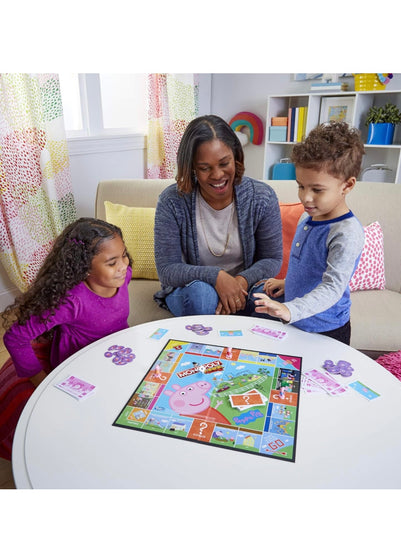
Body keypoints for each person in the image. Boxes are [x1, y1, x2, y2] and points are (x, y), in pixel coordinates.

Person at [0, 217, 132, 460]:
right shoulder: (71, 301)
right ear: (84, 268)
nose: (123, 266)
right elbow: (16, 337)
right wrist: (42, 381)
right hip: (81, 366)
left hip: (116, 355)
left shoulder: (124, 277)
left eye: (123, 256)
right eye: (112, 262)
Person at [153, 114, 283, 317]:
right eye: (205, 168)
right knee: (202, 295)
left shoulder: (261, 197)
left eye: (224, 163)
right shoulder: (172, 201)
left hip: (244, 288)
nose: (217, 175)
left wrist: (240, 282)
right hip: (195, 289)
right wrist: (217, 277)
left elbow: (271, 259)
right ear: (192, 167)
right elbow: (167, 270)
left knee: (272, 297)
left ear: (236, 156)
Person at [254, 121, 365, 345]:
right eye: (301, 186)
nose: (305, 197)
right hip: (297, 322)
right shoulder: (308, 218)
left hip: (327, 329)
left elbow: (332, 287)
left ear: (347, 185)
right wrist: (287, 282)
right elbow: (309, 268)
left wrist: (290, 309)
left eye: (317, 189)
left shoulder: (346, 233)